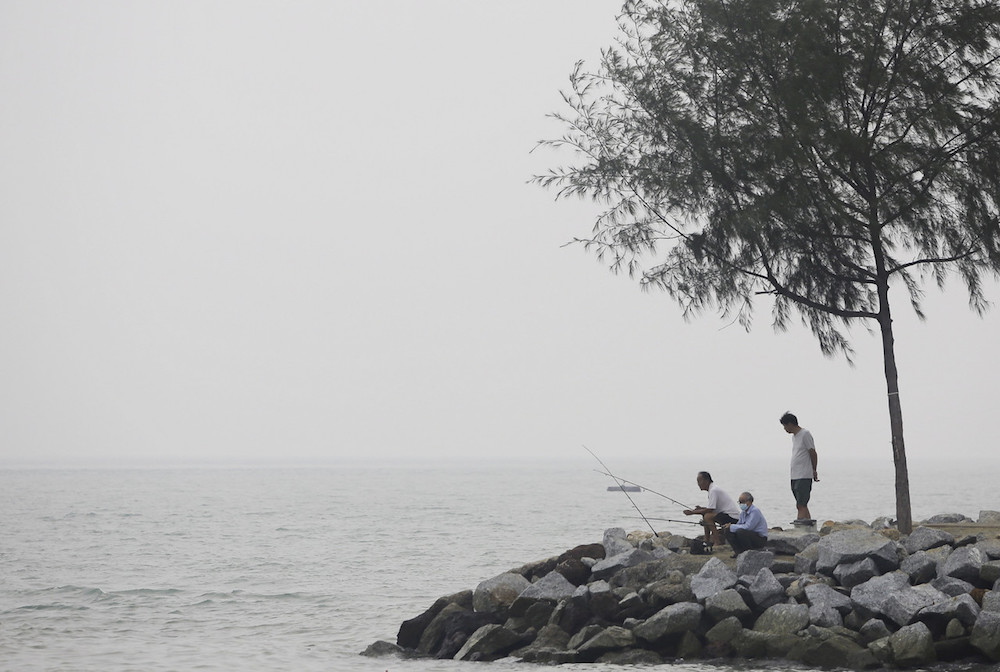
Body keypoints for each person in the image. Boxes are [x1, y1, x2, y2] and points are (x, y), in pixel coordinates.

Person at [683, 471, 741, 548]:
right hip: (726, 515)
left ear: (706, 480)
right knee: (705, 515)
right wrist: (701, 509)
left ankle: (717, 542)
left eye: (699, 481)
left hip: (732, 518)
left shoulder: (713, 490)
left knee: (707, 516)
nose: (698, 484)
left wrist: (692, 512)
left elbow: (710, 510)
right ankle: (707, 540)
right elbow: (712, 509)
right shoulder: (712, 489)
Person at [780, 411, 819, 521]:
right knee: (801, 504)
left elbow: (812, 452)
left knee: (801, 504)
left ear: (791, 424)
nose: (785, 429)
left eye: (785, 426)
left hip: (804, 474)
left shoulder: (805, 434)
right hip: (795, 475)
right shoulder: (794, 437)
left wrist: (814, 469)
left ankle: (800, 526)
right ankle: (809, 526)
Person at [721, 492, 768, 556]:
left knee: (741, 532)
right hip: (750, 535)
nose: (741, 504)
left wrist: (732, 526)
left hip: (760, 538)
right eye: (739, 502)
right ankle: (738, 552)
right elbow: (739, 524)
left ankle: (749, 552)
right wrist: (729, 526)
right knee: (728, 530)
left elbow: (748, 527)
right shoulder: (743, 513)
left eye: (742, 502)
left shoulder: (755, 511)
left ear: (750, 502)